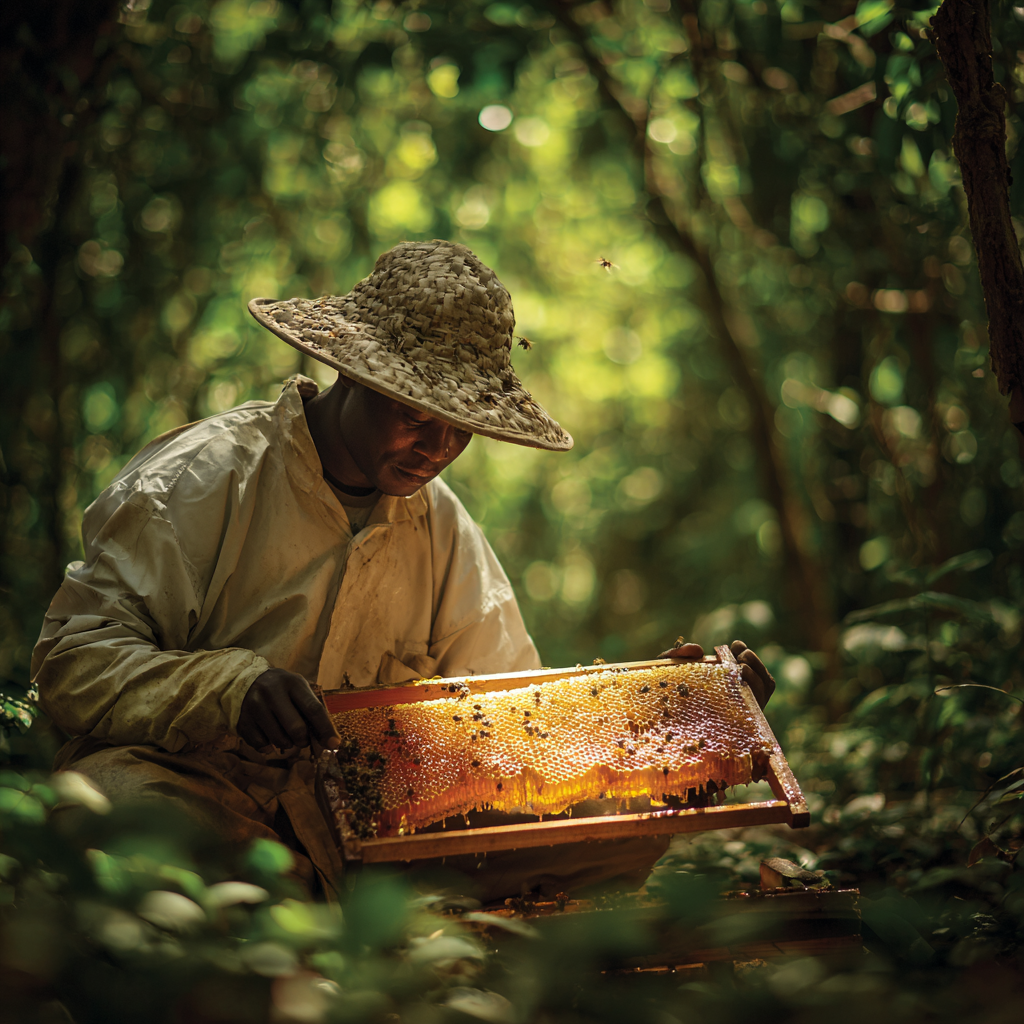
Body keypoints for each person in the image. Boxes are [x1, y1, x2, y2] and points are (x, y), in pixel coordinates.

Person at [32, 240, 774, 900]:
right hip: (204, 793)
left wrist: (675, 721)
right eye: (417, 414)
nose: (438, 447)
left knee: (615, 834)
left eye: (461, 429)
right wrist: (229, 688)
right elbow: (73, 664)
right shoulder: (203, 479)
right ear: (353, 375)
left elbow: (515, 730)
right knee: (110, 806)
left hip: (378, 829)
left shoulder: (442, 524)